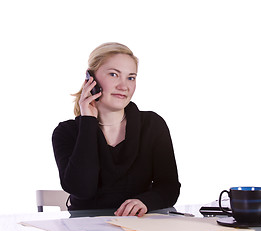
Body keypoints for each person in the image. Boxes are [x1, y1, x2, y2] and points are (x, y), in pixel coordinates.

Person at [52, 42, 181, 217]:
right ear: (91, 79)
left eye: (131, 77)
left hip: (141, 229)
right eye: (114, 74)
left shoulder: (152, 125)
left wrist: (146, 201)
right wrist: (88, 121)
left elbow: (169, 186)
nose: (124, 86)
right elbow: (82, 189)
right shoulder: (66, 132)